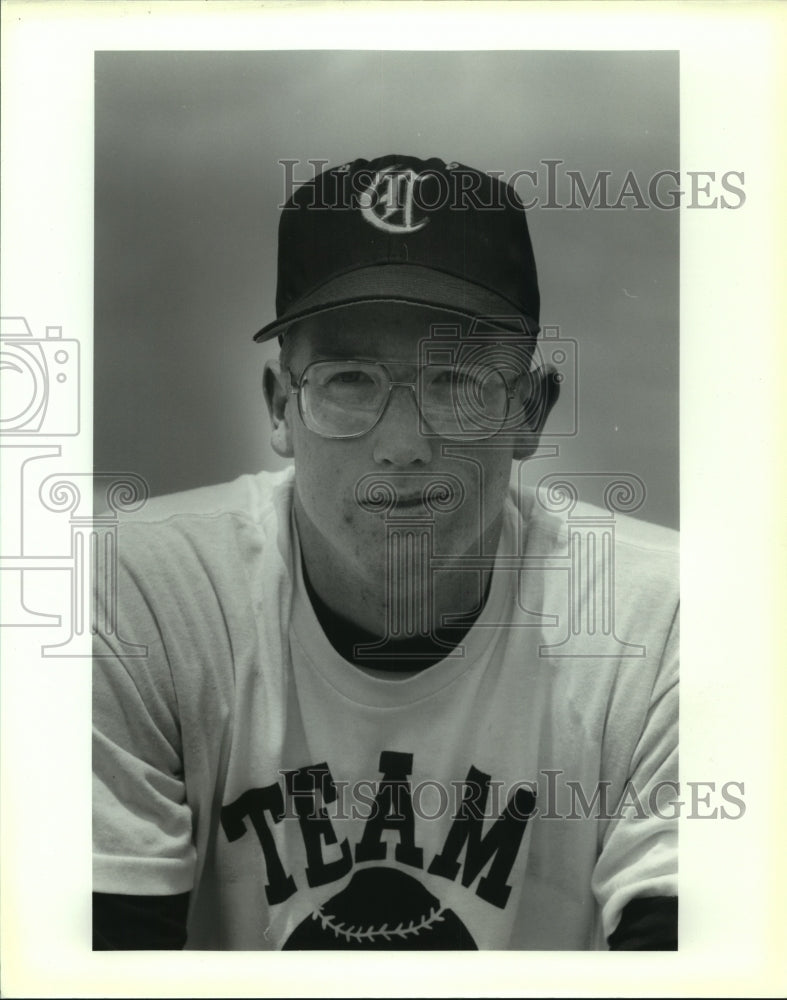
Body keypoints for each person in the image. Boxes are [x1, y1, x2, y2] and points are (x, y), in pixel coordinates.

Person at [92, 154, 679, 950]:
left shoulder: (668, 616)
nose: (402, 445)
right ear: (279, 407)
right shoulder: (140, 596)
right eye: (347, 380)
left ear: (531, 411)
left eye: (455, 381)